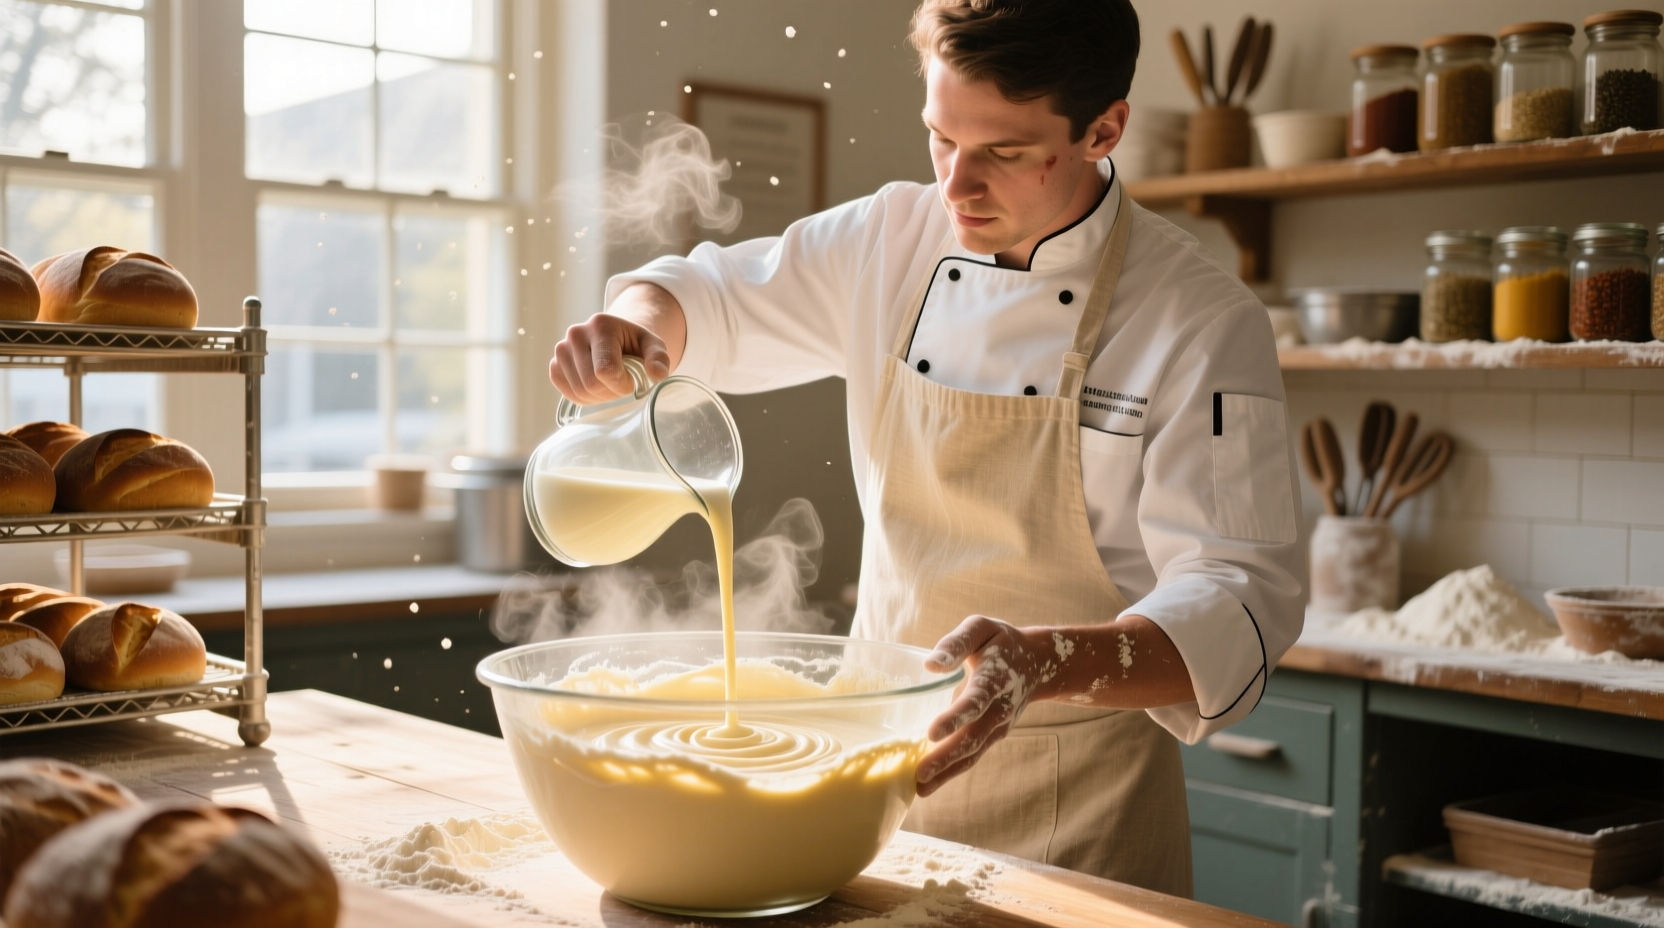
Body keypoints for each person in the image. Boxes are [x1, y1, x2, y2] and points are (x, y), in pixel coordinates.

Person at [548, 0, 1303, 897]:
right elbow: (706, 296)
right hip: (868, 800)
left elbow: (1237, 602)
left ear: (1105, 129)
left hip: (1082, 824)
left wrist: (1042, 662)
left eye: (1006, 153)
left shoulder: (1201, 322)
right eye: (941, 138)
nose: (956, 187)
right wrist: (631, 329)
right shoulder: (889, 238)